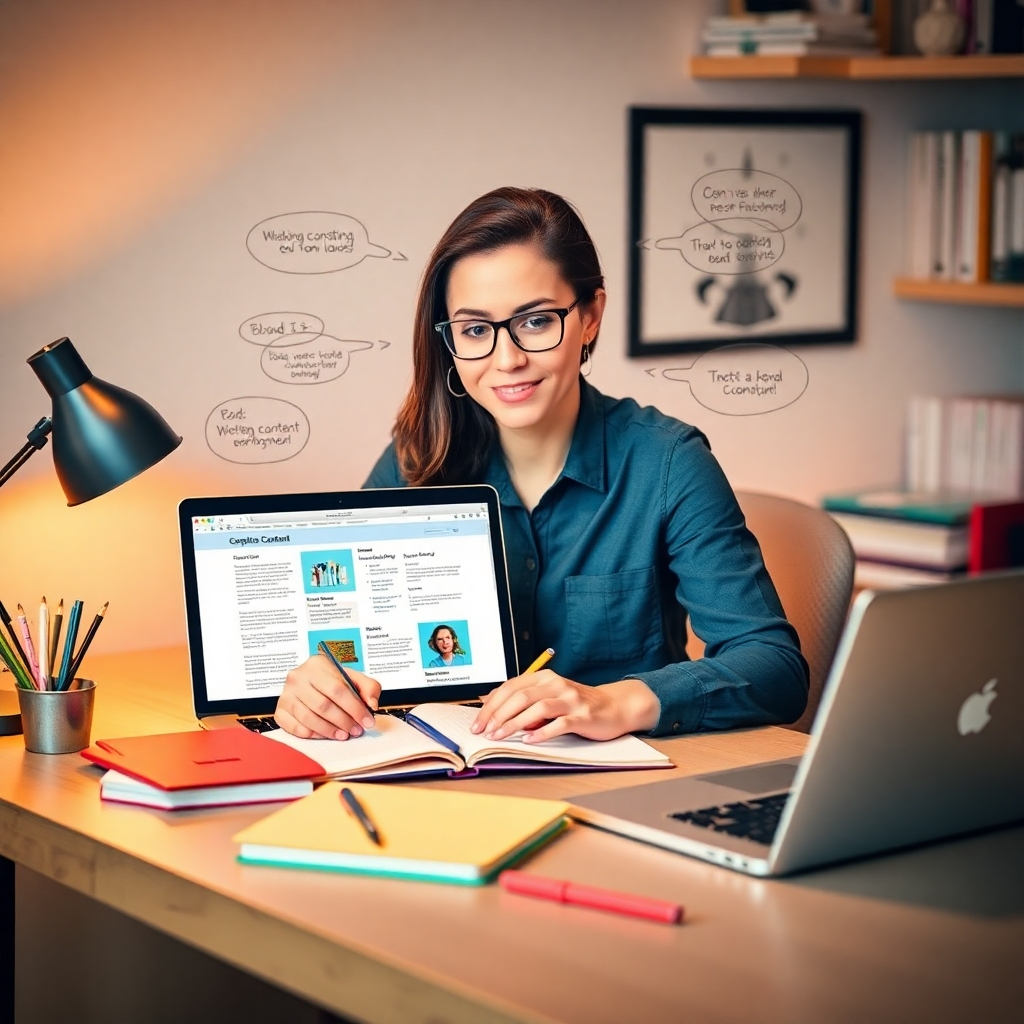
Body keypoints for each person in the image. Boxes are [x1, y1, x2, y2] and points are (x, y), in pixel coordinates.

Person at [273, 186, 808, 744]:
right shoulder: (418, 457)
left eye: (534, 321)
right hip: (447, 778)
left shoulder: (668, 463)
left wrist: (613, 701)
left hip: (621, 785)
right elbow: (334, 635)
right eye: (476, 329)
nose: (507, 360)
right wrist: (314, 684)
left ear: (591, 316)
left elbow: (774, 669)